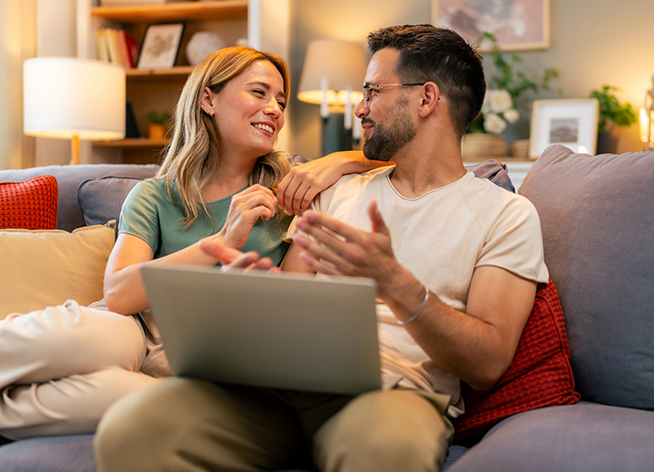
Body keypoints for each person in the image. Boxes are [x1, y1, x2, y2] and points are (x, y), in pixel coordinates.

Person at [94, 25, 548, 472]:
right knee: (133, 430)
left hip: (392, 393)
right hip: (274, 385)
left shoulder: (506, 215)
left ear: (427, 99)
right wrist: (248, 286)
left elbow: (487, 363)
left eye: (372, 91)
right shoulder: (338, 192)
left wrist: (394, 282)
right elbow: (286, 295)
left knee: (386, 454)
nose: (358, 107)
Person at [0, 46, 385, 440]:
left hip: (208, 353)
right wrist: (221, 241)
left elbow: (405, 159)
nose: (274, 109)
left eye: (280, 100)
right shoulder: (155, 195)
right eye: (259, 92)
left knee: (135, 402)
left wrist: (340, 159)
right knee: (94, 340)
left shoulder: (293, 190)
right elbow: (118, 294)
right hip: (135, 326)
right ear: (208, 99)